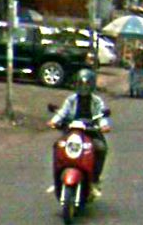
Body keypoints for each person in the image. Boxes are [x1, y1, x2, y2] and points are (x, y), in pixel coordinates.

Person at [47, 68, 111, 196]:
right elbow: (62, 112)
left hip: (91, 131)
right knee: (58, 146)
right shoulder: (71, 99)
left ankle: (94, 180)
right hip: (72, 130)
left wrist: (103, 126)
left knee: (100, 148)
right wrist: (54, 121)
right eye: (81, 84)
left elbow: (101, 115)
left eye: (86, 84)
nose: (83, 87)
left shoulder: (96, 101)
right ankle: (57, 179)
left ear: (92, 85)